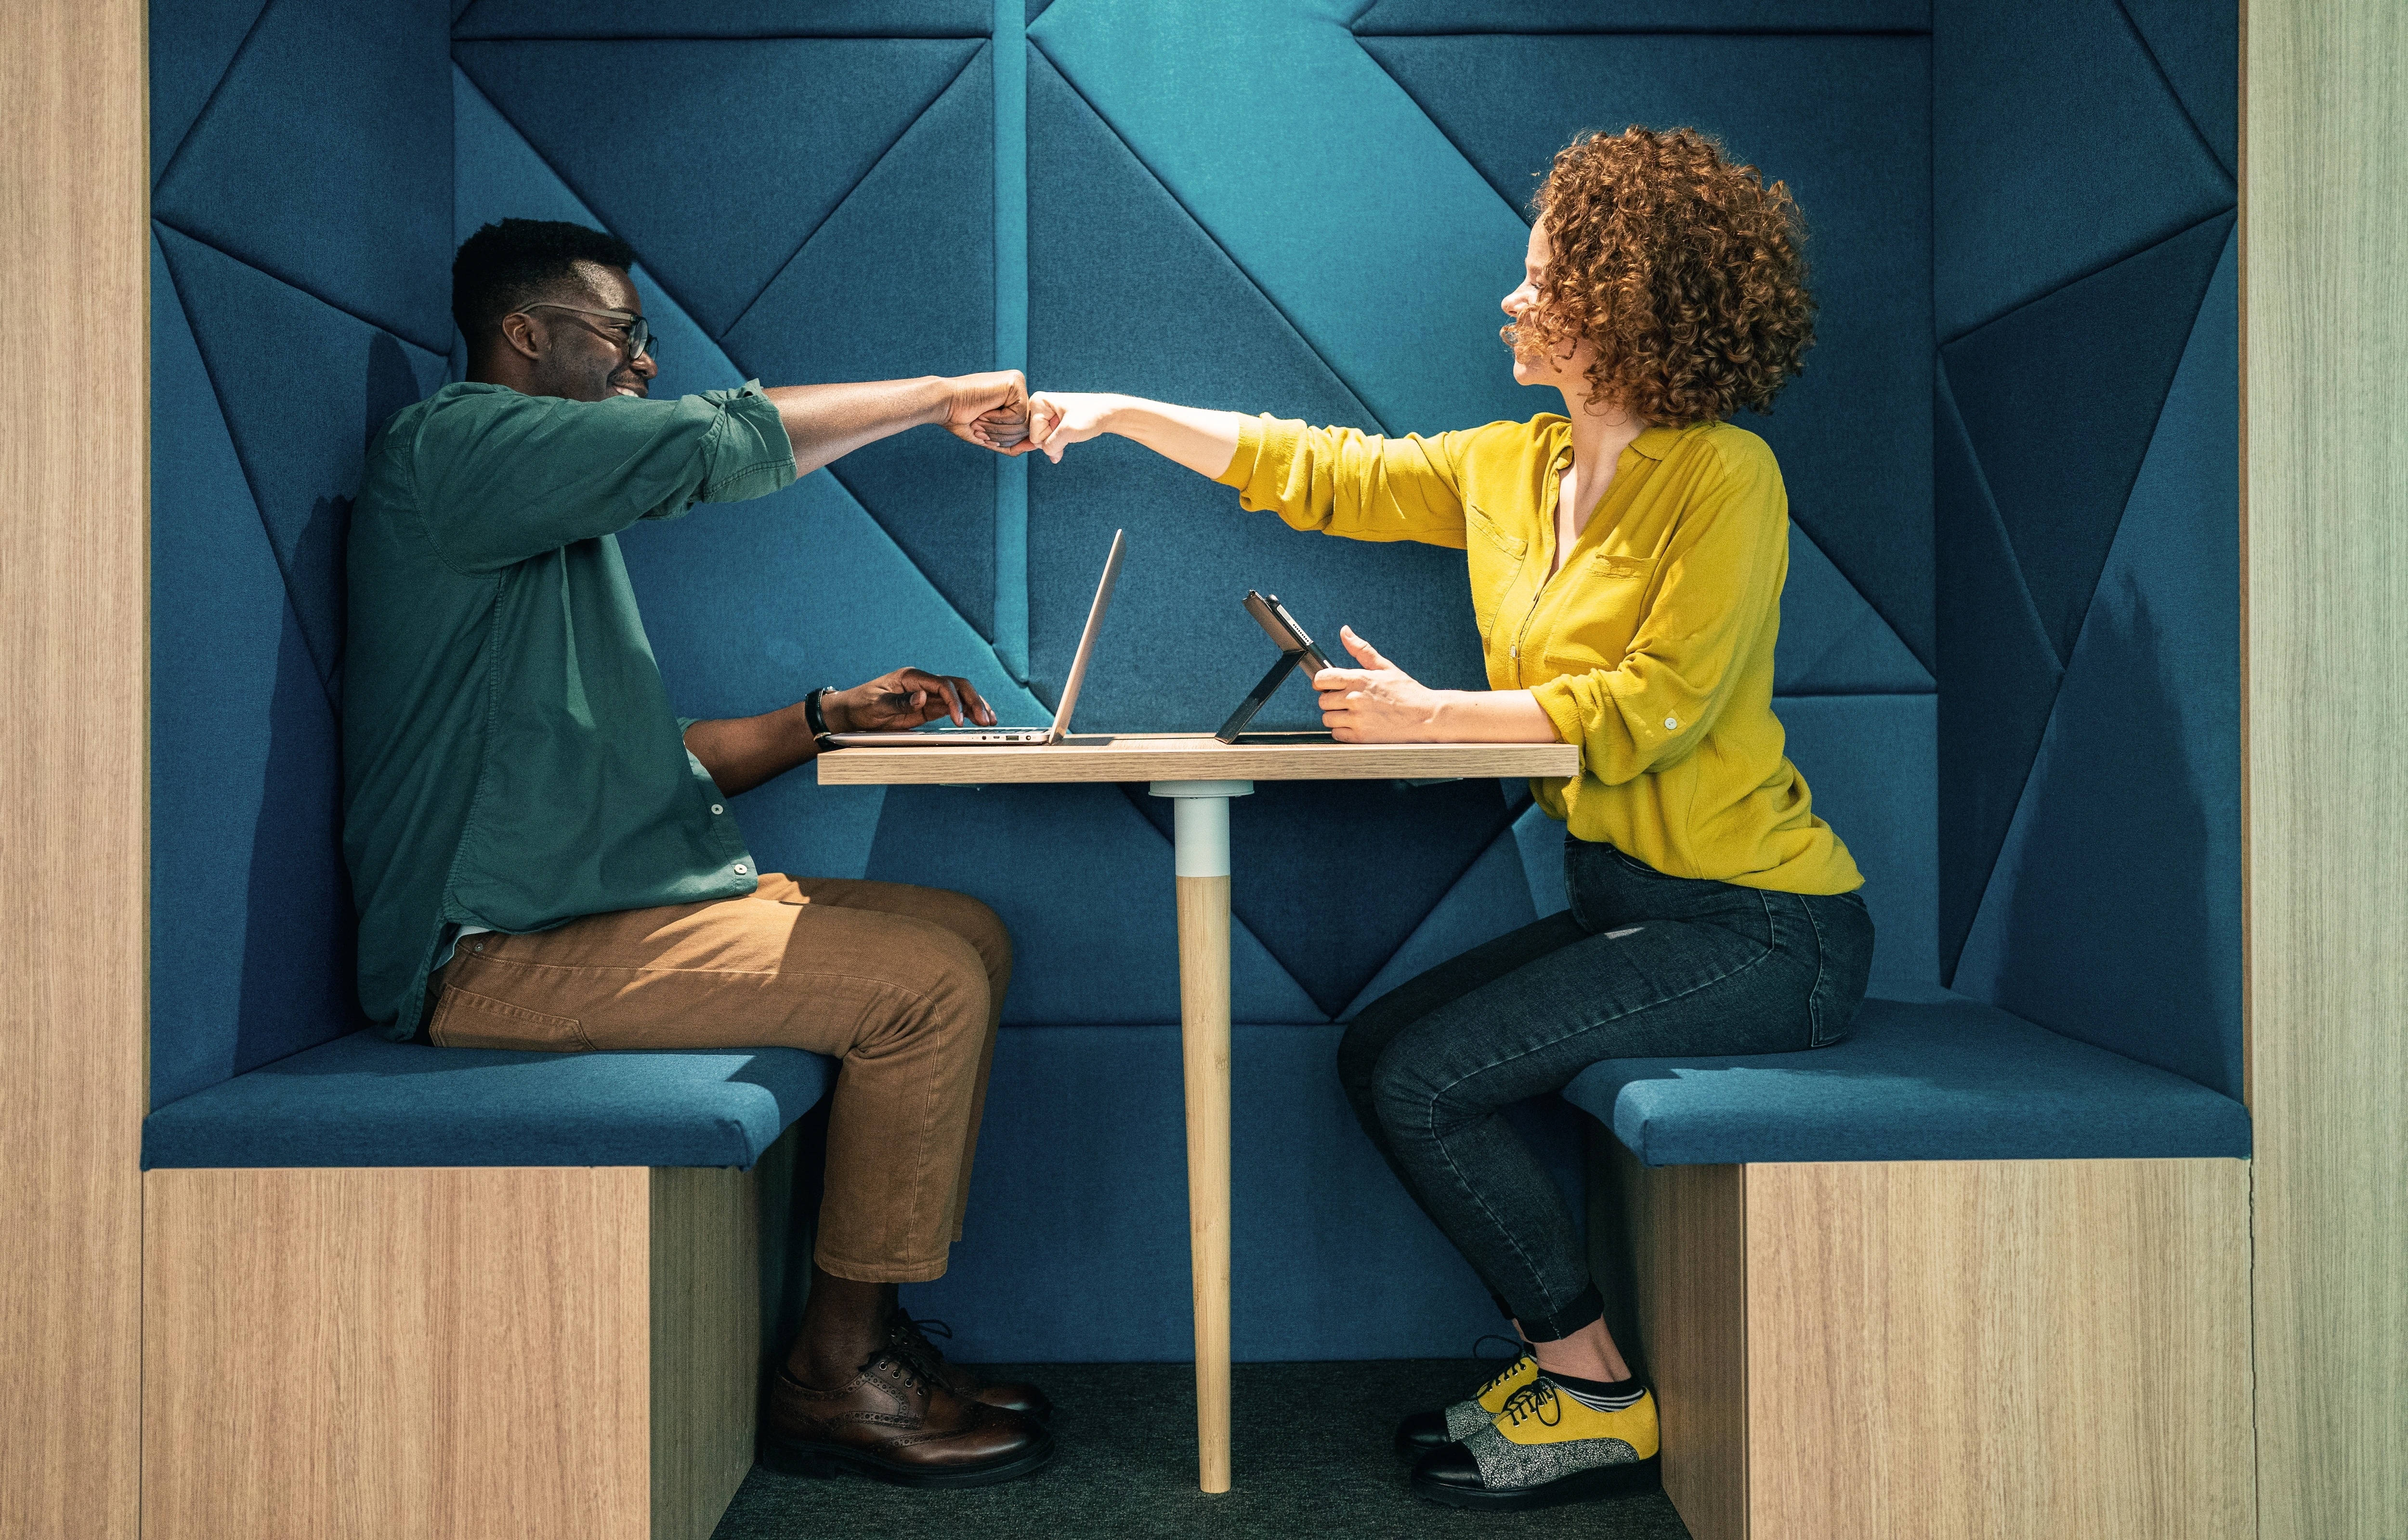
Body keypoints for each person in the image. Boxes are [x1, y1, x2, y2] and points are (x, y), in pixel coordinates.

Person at [1023, 126, 1871, 1509]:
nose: (1511, 303)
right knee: (1382, 1052)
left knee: (1421, 1078)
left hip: (1770, 930)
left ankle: (1594, 1391)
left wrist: (1436, 720)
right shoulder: (1511, 468)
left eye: (1540, 282)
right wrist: (1120, 410)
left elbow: (1661, 703)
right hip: (1629, 908)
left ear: (1626, 301)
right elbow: (1320, 470)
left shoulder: (1724, 476)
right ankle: (1573, 1375)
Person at [343, 218, 1053, 1488]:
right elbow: (720, 439)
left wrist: (828, 718)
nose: (641, 362)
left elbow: (637, 768)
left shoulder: (535, 514)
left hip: (602, 902)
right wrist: (945, 396)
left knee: (970, 935)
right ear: (524, 334)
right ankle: (833, 1379)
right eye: (618, 333)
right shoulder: (453, 447)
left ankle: (871, 1330)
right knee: (924, 987)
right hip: (498, 951)